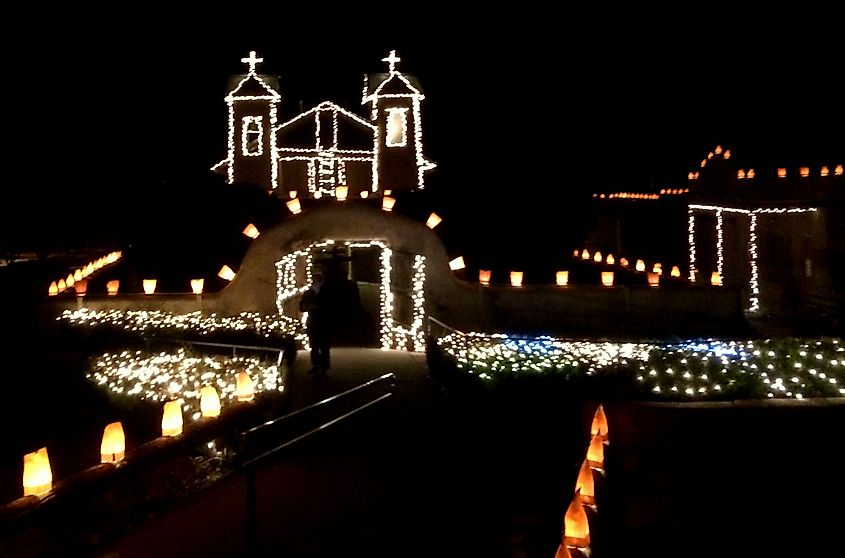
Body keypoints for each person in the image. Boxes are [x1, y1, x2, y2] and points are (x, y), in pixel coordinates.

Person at [299, 271, 331, 375]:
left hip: (324, 321)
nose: (316, 282)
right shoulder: (308, 293)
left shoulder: (326, 292)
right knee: (314, 346)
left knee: (324, 346)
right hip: (313, 322)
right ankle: (316, 365)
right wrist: (309, 307)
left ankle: (324, 367)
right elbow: (302, 306)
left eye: (318, 280)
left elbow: (331, 306)